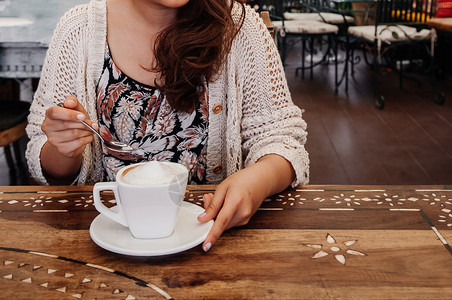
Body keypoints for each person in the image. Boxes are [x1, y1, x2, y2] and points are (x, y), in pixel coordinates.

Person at [26, 0, 309, 252]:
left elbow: (283, 141)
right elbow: (45, 162)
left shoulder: (239, 27)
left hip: (215, 245)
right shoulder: (78, 29)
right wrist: (64, 148)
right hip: (103, 246)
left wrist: (256, 181)